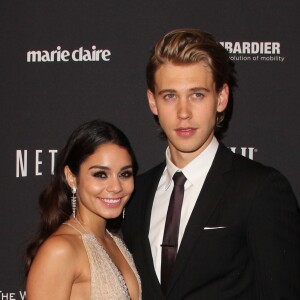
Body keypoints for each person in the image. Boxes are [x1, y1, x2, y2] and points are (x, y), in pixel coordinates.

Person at [122, 28, 300, 299]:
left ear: (221, 98)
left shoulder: (260, 189)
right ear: (153, 102)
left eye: (197, 95)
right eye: (170, 96)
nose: (183, 112)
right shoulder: (136, 194)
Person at [26, 119, 141, 300]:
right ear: (72, 178)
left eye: (125, 174)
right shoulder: (60, 250)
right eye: (100, 175)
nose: (116, 186)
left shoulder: (116, 242)